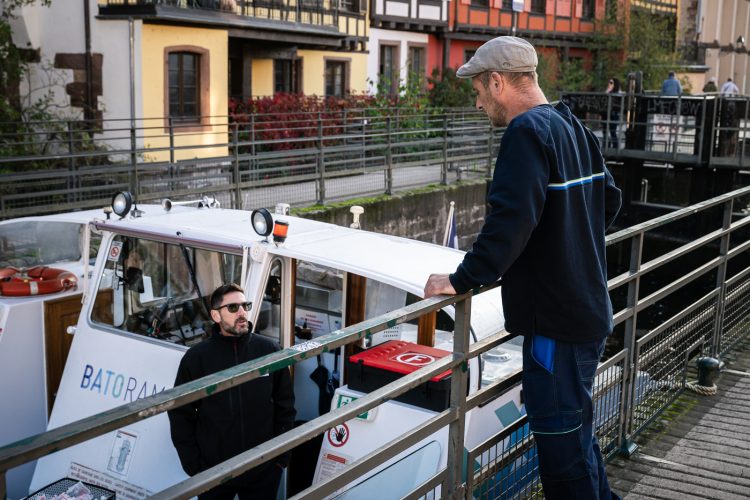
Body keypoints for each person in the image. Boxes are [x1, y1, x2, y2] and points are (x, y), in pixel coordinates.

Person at [423, 36, 622, 500]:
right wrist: (566, 239)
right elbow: (609, 200)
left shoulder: (524, 133)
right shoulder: (571, 124)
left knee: (563, 457)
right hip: (588, 311)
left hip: (556, 325)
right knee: (577, 438)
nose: (477, 103)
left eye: (478, 90)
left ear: (498, 82)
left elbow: (507, 228)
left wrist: (457, 280)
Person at [168, 283, 296, 500]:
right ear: (216, 316)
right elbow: (181, 413)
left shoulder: (269, 351)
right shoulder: (197, 358)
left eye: (245, 306)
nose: (242, 312)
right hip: (213, 472)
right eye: (233, 308)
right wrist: (196, 467)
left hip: (263, 468)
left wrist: (279, 458)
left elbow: (285, 405)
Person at [604, 77, 621, 149]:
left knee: (612, 131)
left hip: (614, 114)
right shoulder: (608, 91)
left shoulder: (618, 93)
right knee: (605, 130)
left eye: (611, 83)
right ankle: (606, 145)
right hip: (606, 114)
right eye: (609, 82)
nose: (609, 84)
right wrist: (608, 91)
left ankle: (615, 146)